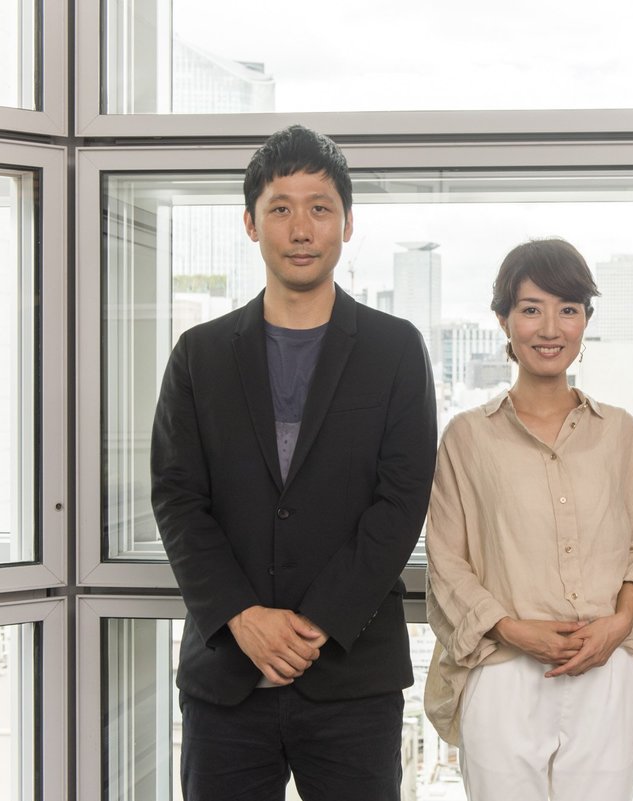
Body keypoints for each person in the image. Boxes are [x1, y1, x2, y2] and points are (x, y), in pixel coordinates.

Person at [150, 125, 437, 801]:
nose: (301, 229)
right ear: (251, 224)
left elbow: (401, 501)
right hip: (226, 679)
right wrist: (243, 618)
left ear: (347, 224)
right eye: (280, 208)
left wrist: (314, 627)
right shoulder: (199, 355)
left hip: (352, 679)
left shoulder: (395, 349)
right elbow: (177, 497)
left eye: (319, 208)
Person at [423, 238, 633, 801]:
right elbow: (447, 561)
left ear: (586, 321)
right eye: (531, 309)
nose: (551, 328)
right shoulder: (467, 436)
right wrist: (512, 629)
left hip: (606, 665)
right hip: (503, 668)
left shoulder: (620, 432)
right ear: (504, 321)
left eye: (568, 309)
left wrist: (619, 622)